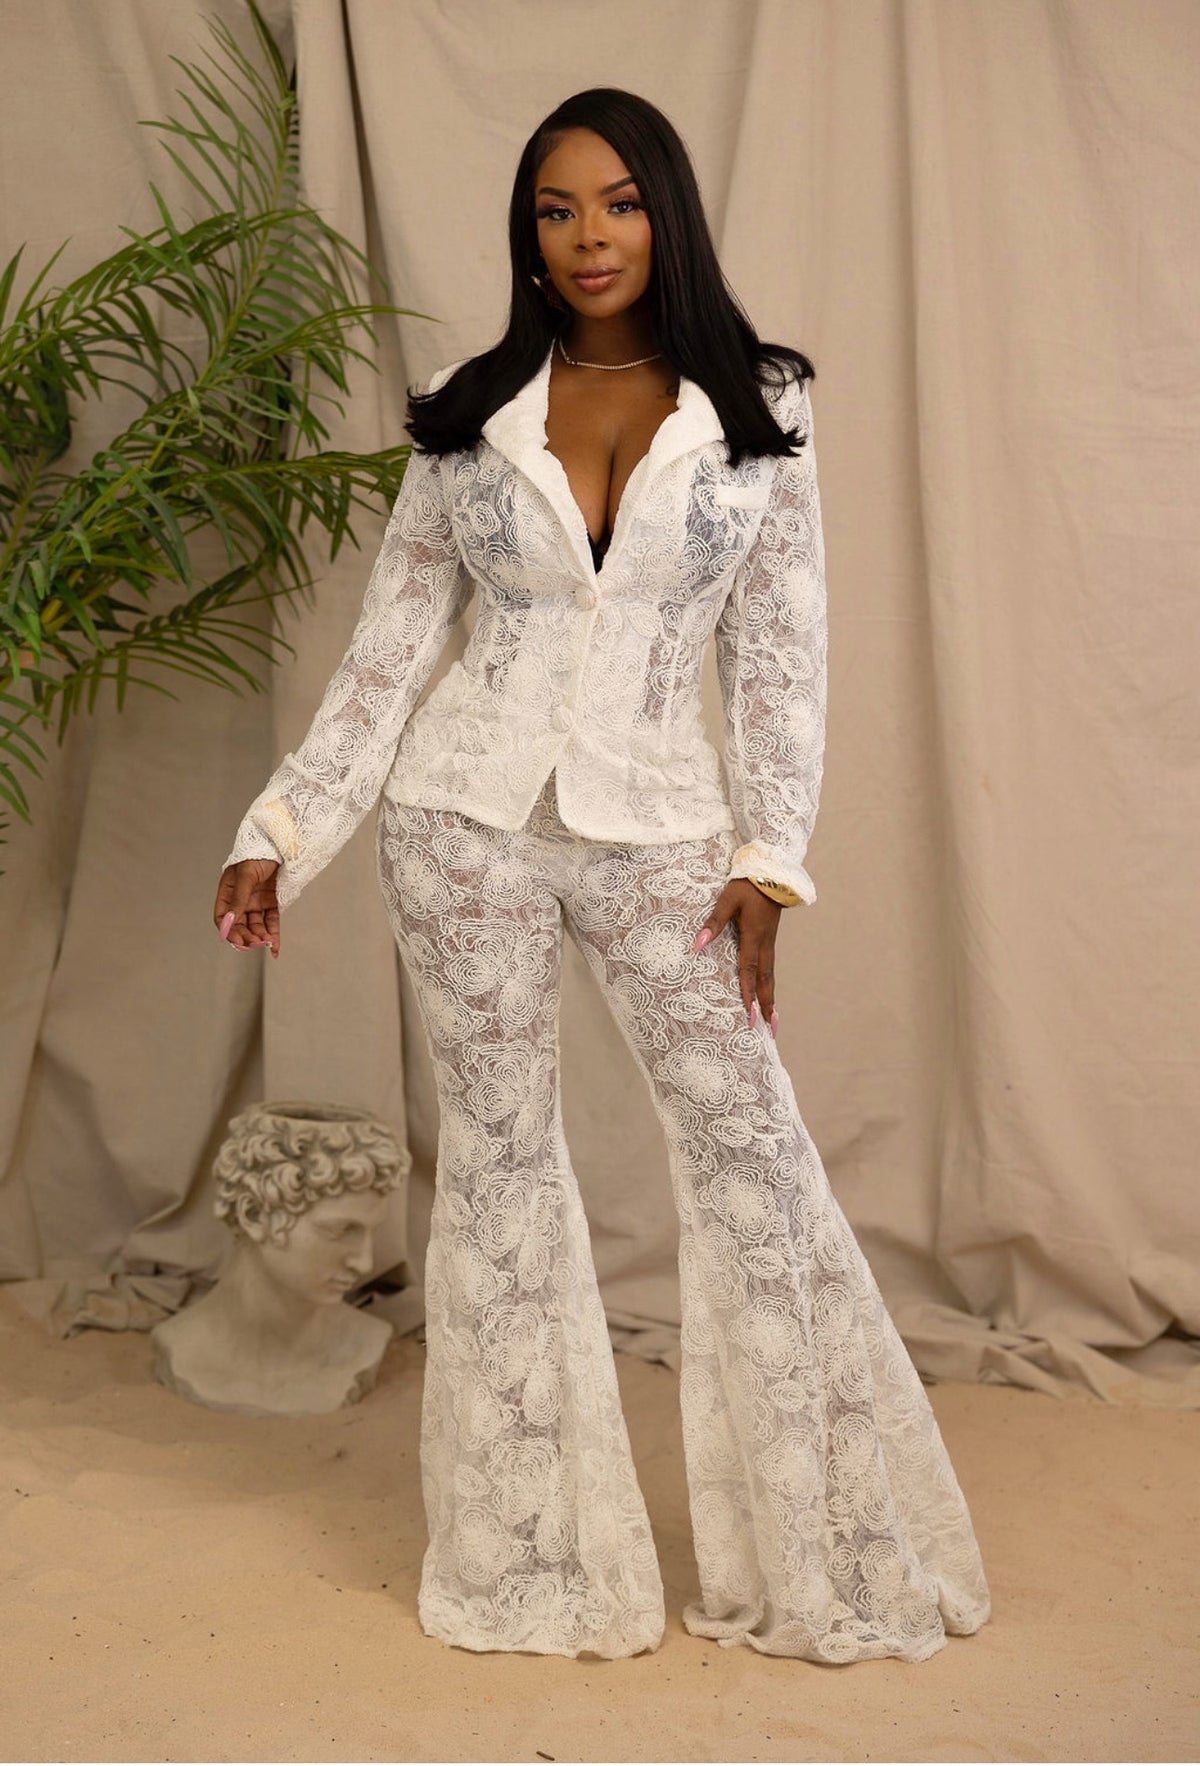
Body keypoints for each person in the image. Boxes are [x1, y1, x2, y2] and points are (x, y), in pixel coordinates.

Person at [213, 87, 991, 1663]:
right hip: (463, 825)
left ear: (668, 216)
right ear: (529, 233)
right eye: (558, 210)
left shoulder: (761, 407)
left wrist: (771, 860)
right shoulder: (464, 409)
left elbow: (781, 657)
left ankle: (836, 1557)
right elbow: (388, 656)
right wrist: (282, 827)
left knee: (753, 1160)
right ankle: (530, 1566)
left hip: (666, 834)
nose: (588, 237)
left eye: (619, 204)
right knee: (498, 1179)